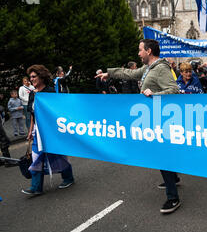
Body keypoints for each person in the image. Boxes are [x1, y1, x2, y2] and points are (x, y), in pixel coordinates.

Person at [96, 39, 181, 214]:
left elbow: (174, 90)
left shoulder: (161, 68)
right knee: (162, 153)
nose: (138, 53)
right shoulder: (149, 68)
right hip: (153, 118)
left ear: (149, 51)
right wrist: (109, 74)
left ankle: (173, 198)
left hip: (162, 119)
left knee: (161, 154)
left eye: (140, 50)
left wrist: (154, 94)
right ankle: (173, 177)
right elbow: (129, 74)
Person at [22, 65, 75, 196]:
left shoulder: (50, 92)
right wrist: (30, 130)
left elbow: (58, 112)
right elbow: (32, 114)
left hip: (50, 130)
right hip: (38, 131)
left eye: (34, 76)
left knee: (57, 154)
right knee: (36, 156)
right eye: (30, 77)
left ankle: (68, 177)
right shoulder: (32, 94)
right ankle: (36, 187)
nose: (31, 79)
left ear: (41, 77)